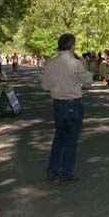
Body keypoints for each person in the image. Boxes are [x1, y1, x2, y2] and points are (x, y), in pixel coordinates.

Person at [41, 33, 93, 183]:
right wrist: (85, 66)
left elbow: (44, 85)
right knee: (71, 139)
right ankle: (66, 172)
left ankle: (53, 169)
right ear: (72, 46)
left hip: (58, 103)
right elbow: (88, 81)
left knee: (59, 137)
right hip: (73, 103)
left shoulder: (51, 63)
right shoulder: (75, 63)